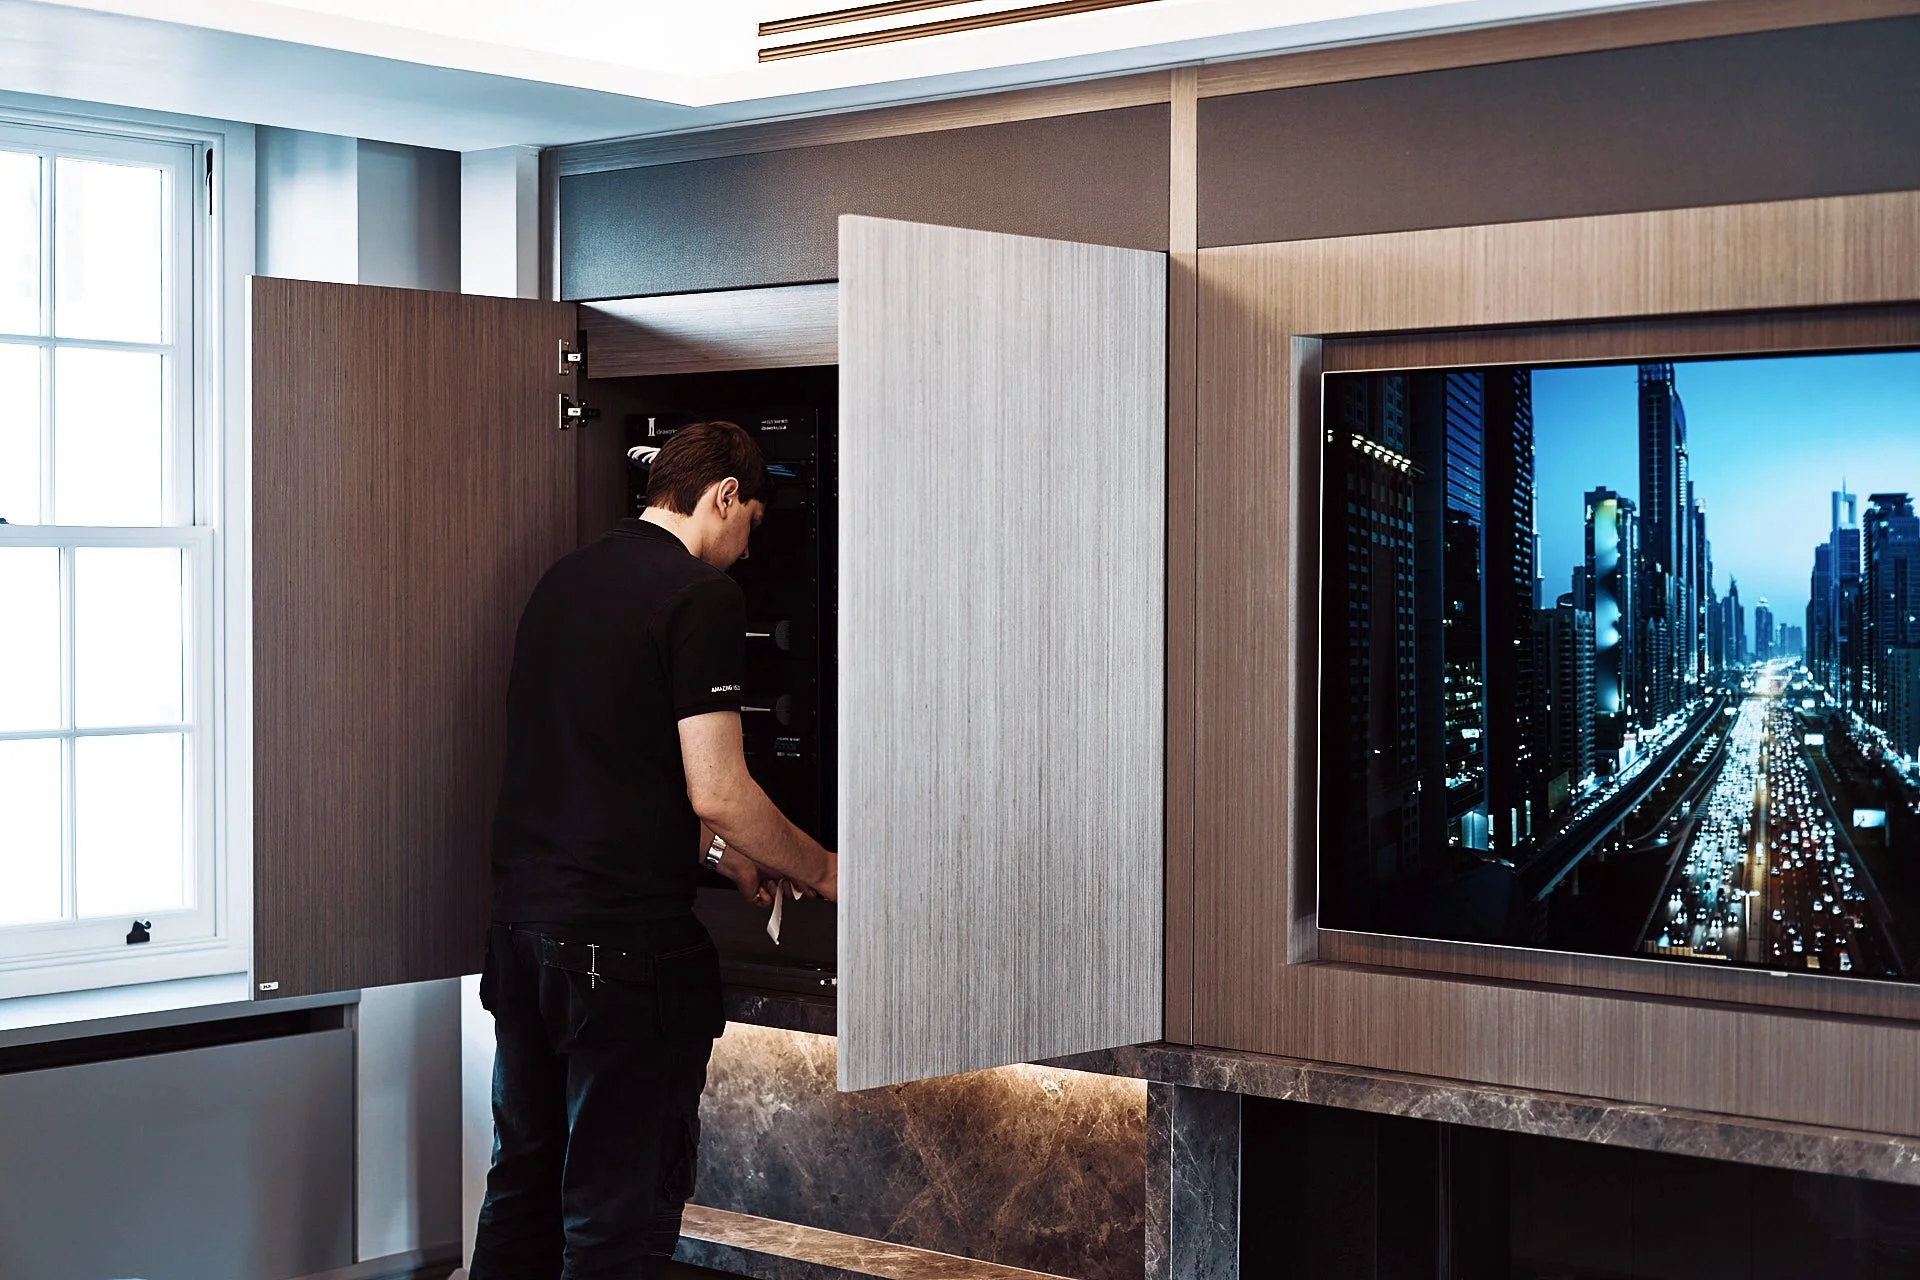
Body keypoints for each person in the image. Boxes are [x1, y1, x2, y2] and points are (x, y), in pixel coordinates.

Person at [469, 420, 839, 1280]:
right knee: (617, 1217)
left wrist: (718, 856)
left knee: (521, 1189)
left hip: (523, 938)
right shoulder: (700, 595)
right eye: (753, 525)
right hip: (623, 957)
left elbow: (604, 764)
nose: (749, 552)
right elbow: (720, 790)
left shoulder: (564, 579)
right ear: (725, 496)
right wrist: (823, 869)